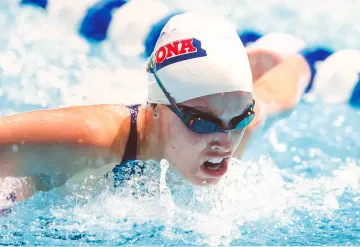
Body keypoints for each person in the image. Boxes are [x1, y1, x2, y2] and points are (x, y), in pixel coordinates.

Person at [0, 12, 311, 203]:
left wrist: (269, 56)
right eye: (202, 123)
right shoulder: (92, 139)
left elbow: (293, 72)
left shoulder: (236, 123)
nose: (225, 142)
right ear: (158, 107)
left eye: (240, 118)